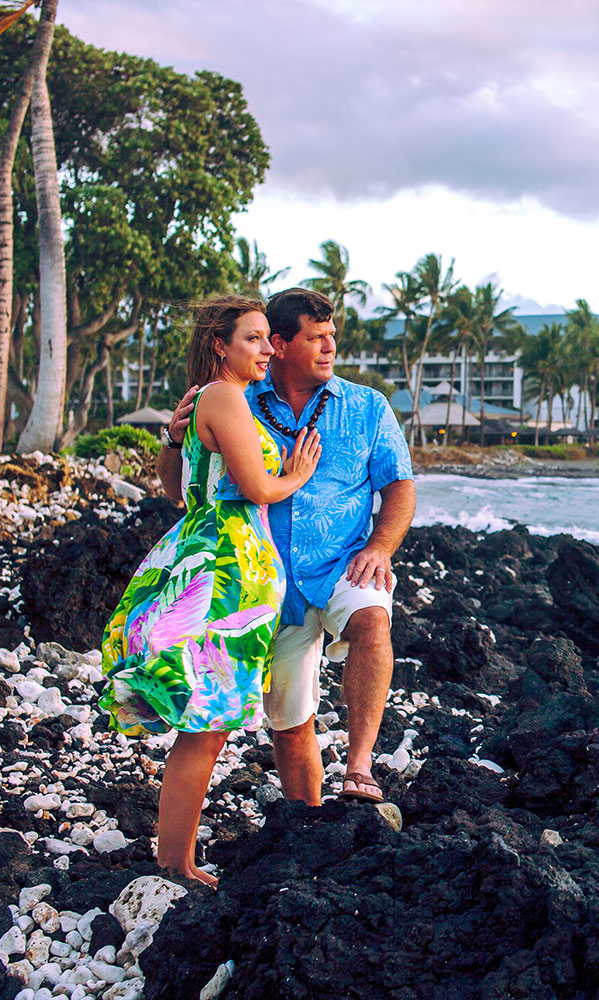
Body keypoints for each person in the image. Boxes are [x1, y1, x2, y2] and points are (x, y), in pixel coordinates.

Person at [160, 287, 416, 808]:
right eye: (315, 337)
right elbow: (177, 487)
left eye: (333, 337)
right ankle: (308, 824)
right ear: (279, 344)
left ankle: (360, 764)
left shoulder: (367, 407)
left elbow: (400, 486)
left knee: (372, 618)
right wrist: (172, 438)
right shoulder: (233, 398)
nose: (329, 348)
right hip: (264, 577)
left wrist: (381, 547)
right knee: (291, 719)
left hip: (344, 563)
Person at [100, 294, 322, 885]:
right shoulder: (224, 396)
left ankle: (176, 855)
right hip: (227, 566)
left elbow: (174, 489)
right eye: (253, 338)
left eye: (268, 339)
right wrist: (296, 474)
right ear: (220, 345)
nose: (268, 348)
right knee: (208, 723)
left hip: (206, 549)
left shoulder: (204, 399)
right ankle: (176, 862)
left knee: (207, 722)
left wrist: (172, 441)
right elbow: (255, 486)